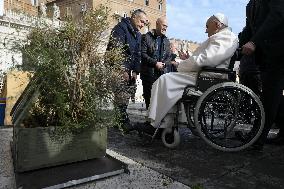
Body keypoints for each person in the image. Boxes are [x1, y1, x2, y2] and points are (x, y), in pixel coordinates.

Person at [146, 13, 238, 129]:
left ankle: (156, 122)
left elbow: (204, 60)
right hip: (205, 75)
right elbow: (205, 58)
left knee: (165, 79)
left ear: (216, 24)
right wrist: (188, 59)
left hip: (207, 77)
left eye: (207, 26)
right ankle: (165, 121)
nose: (205, 31)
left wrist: (181, 64)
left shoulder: (225, 37)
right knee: (167, 79)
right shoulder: (222, 37)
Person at [240, 0, 284, 149]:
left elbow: (278, 15)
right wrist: (236, 44)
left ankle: (257, 138)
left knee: (269, 97)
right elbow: (249, 29)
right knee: (274, 96)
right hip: (266, 56)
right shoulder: (250, 5)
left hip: (279, 52)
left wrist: (254, 42)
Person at [106, 9, 147, 132]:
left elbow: (137, 54)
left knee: (127, 93)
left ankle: (120, 119)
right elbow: (116, 50)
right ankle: (122, 122)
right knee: (120, 93)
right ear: (134, 17)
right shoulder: (120, 28)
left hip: (129, 68)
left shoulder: (138, 35)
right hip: (117, 67)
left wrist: (135, 71)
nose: (142, 25)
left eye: (145, 23)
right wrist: (121, 69)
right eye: (141, 22)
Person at [140, 17, 171, 109]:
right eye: (164, 25)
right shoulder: (146, 37)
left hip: (161, 74)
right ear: (157, 24)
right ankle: (149, 120)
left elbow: (169, 57)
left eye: (167, 26)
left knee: (160, 99)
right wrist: (155, 63)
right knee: (149, 98)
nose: (165, 28)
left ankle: (158, 120)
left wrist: (164, 64)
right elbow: (142, 54)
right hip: (148, 74)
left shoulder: (166, 40)